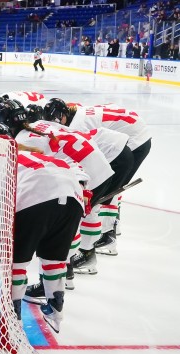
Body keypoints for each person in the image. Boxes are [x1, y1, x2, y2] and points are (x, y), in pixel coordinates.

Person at [0, 100, 122, 285]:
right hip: (97, 167)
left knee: (65, 224)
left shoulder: (22, 141)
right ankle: (70, 267)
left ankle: (67, 271)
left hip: (86, 174)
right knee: (70, 220)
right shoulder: (37, 126)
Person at [0, 122, 86, 333]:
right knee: (54, 259)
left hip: (35, 200)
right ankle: (55, 310)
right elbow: (77, 171)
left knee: (15, 263)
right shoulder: (35, 153)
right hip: (73, 200)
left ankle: (11, 317)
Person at [42, 99, 149, 257]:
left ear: (64, 115)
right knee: (107, 191)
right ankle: (108, 231)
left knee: (99, 196)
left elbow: (87, 158)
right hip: (134, 136)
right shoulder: (78, 113)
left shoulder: (78, 125)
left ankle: (105, 238)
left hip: (135, 141)